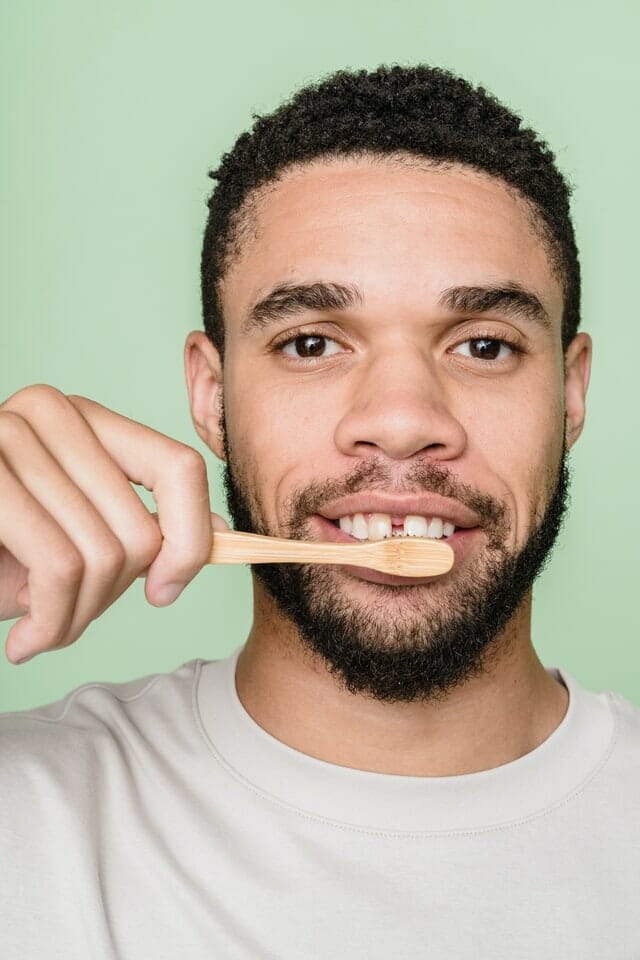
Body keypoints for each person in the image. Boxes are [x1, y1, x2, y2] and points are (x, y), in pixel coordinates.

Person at [0, 64, 638, 959]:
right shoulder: (28, 821)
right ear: (212, 396)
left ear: (570, 395)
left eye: (485, 346)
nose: (403, 420)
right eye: (310, 344)